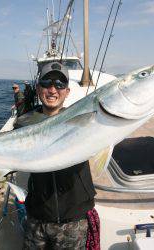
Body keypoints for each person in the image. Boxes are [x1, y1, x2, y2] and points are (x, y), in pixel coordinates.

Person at [15, 62, 97, 250]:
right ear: (38, 88)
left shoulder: (84, 119)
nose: (53, 89)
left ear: (67, 91)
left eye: (60, 84)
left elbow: (117, 120)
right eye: (46, 83)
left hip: (73, 218)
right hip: (37, 215)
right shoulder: (23, 123)